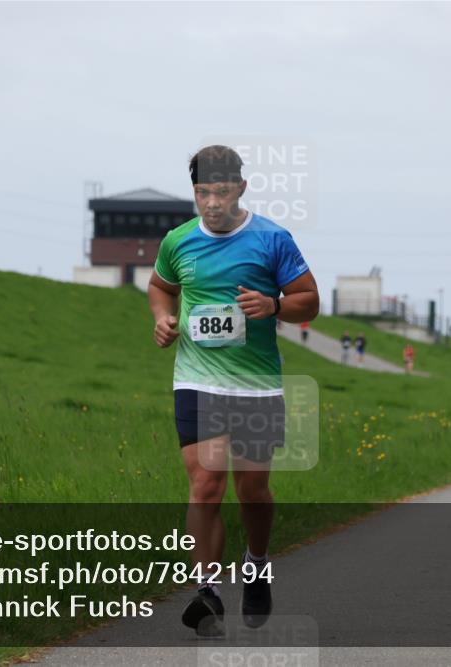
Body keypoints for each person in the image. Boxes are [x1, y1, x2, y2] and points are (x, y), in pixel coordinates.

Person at [148, 145, 319, 636]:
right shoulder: (178, 241)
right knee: (205, 485)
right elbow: (161, 287)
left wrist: (273, 305)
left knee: (253, 491)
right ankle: (207, 592)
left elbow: (309, 301)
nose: (212, 203)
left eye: (221, 192)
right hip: (197, 380)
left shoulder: (272, 239)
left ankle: (257, 563)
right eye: (202, 192)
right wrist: (162, 316)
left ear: (241, 188)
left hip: (256, 386)